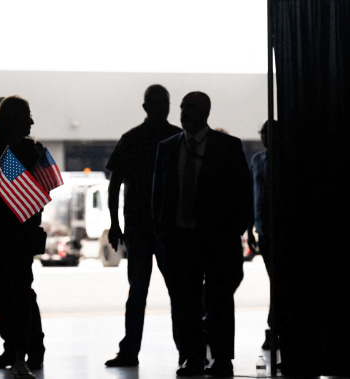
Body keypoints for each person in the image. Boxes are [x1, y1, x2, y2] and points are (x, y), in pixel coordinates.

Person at [152, 91, 252, 376]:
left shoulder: (228, 146)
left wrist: (235, 229)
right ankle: (192, 358)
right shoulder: (168, 147)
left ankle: (222, 359)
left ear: (205, 112)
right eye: (182, 108)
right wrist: (161, 230)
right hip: (180, 238)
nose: (183, 114)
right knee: (186, 301)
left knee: (219, 301)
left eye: (189, 108)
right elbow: (158, 193)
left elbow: (243, 192)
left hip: (217, 238)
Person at [104, 84, 181, 367]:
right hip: (165, 228)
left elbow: (114, 186)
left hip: (142, 226)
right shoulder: (177, 137)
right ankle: (185, 351)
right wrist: (114, 223)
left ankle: (130, 351)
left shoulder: (133, 138)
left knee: (139, 292)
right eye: (160, 102)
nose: (162, 107)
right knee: (175, 291)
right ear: (149, 107)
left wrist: (115, 224)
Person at [0, 95, 46, 379]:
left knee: (4, 295)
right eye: (26, 115)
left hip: (6, 234)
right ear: (13, 118)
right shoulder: (26, 150)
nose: (31, 121)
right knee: (13, 294)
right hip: (10, 233)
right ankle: (16, 357)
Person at [247, 120, 276, 350]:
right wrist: (251, 230)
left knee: (277, 282)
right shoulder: (257, 161)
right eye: (263, 134)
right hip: (263, 229)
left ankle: (273, 326)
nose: (265, 138)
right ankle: (274, 327)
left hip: (275, 230)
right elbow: (251, 197)